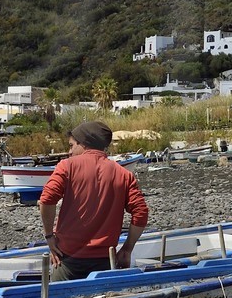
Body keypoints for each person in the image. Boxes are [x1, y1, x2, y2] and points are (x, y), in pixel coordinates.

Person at [39, 120, 149, 281]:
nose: (69, 152)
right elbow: (141, 212)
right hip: (105, 260)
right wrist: (127, 248)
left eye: (71, 146)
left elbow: (47, 200)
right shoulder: (123, 174)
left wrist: (49, 236)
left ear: (83, 144)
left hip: (68, 259)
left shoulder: (67, 166)